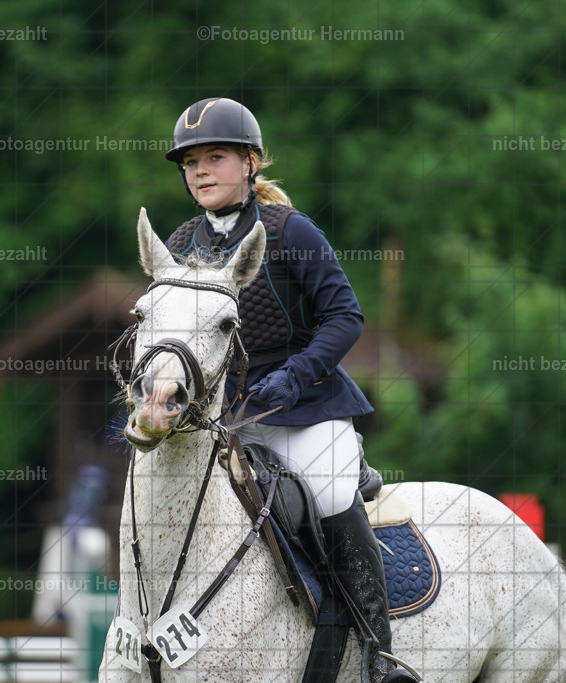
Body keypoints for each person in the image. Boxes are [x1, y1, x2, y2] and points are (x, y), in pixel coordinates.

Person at [161, 97, 416, 683]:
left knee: (327, 495)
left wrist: (296, 374)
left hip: (309, 408)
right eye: (190, 162)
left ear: (250, 163)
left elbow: (345, 316)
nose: (199, 171)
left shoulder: (288, 230)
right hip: (229, 419)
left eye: (215, 157)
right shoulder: (180, 246)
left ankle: (382, 655)